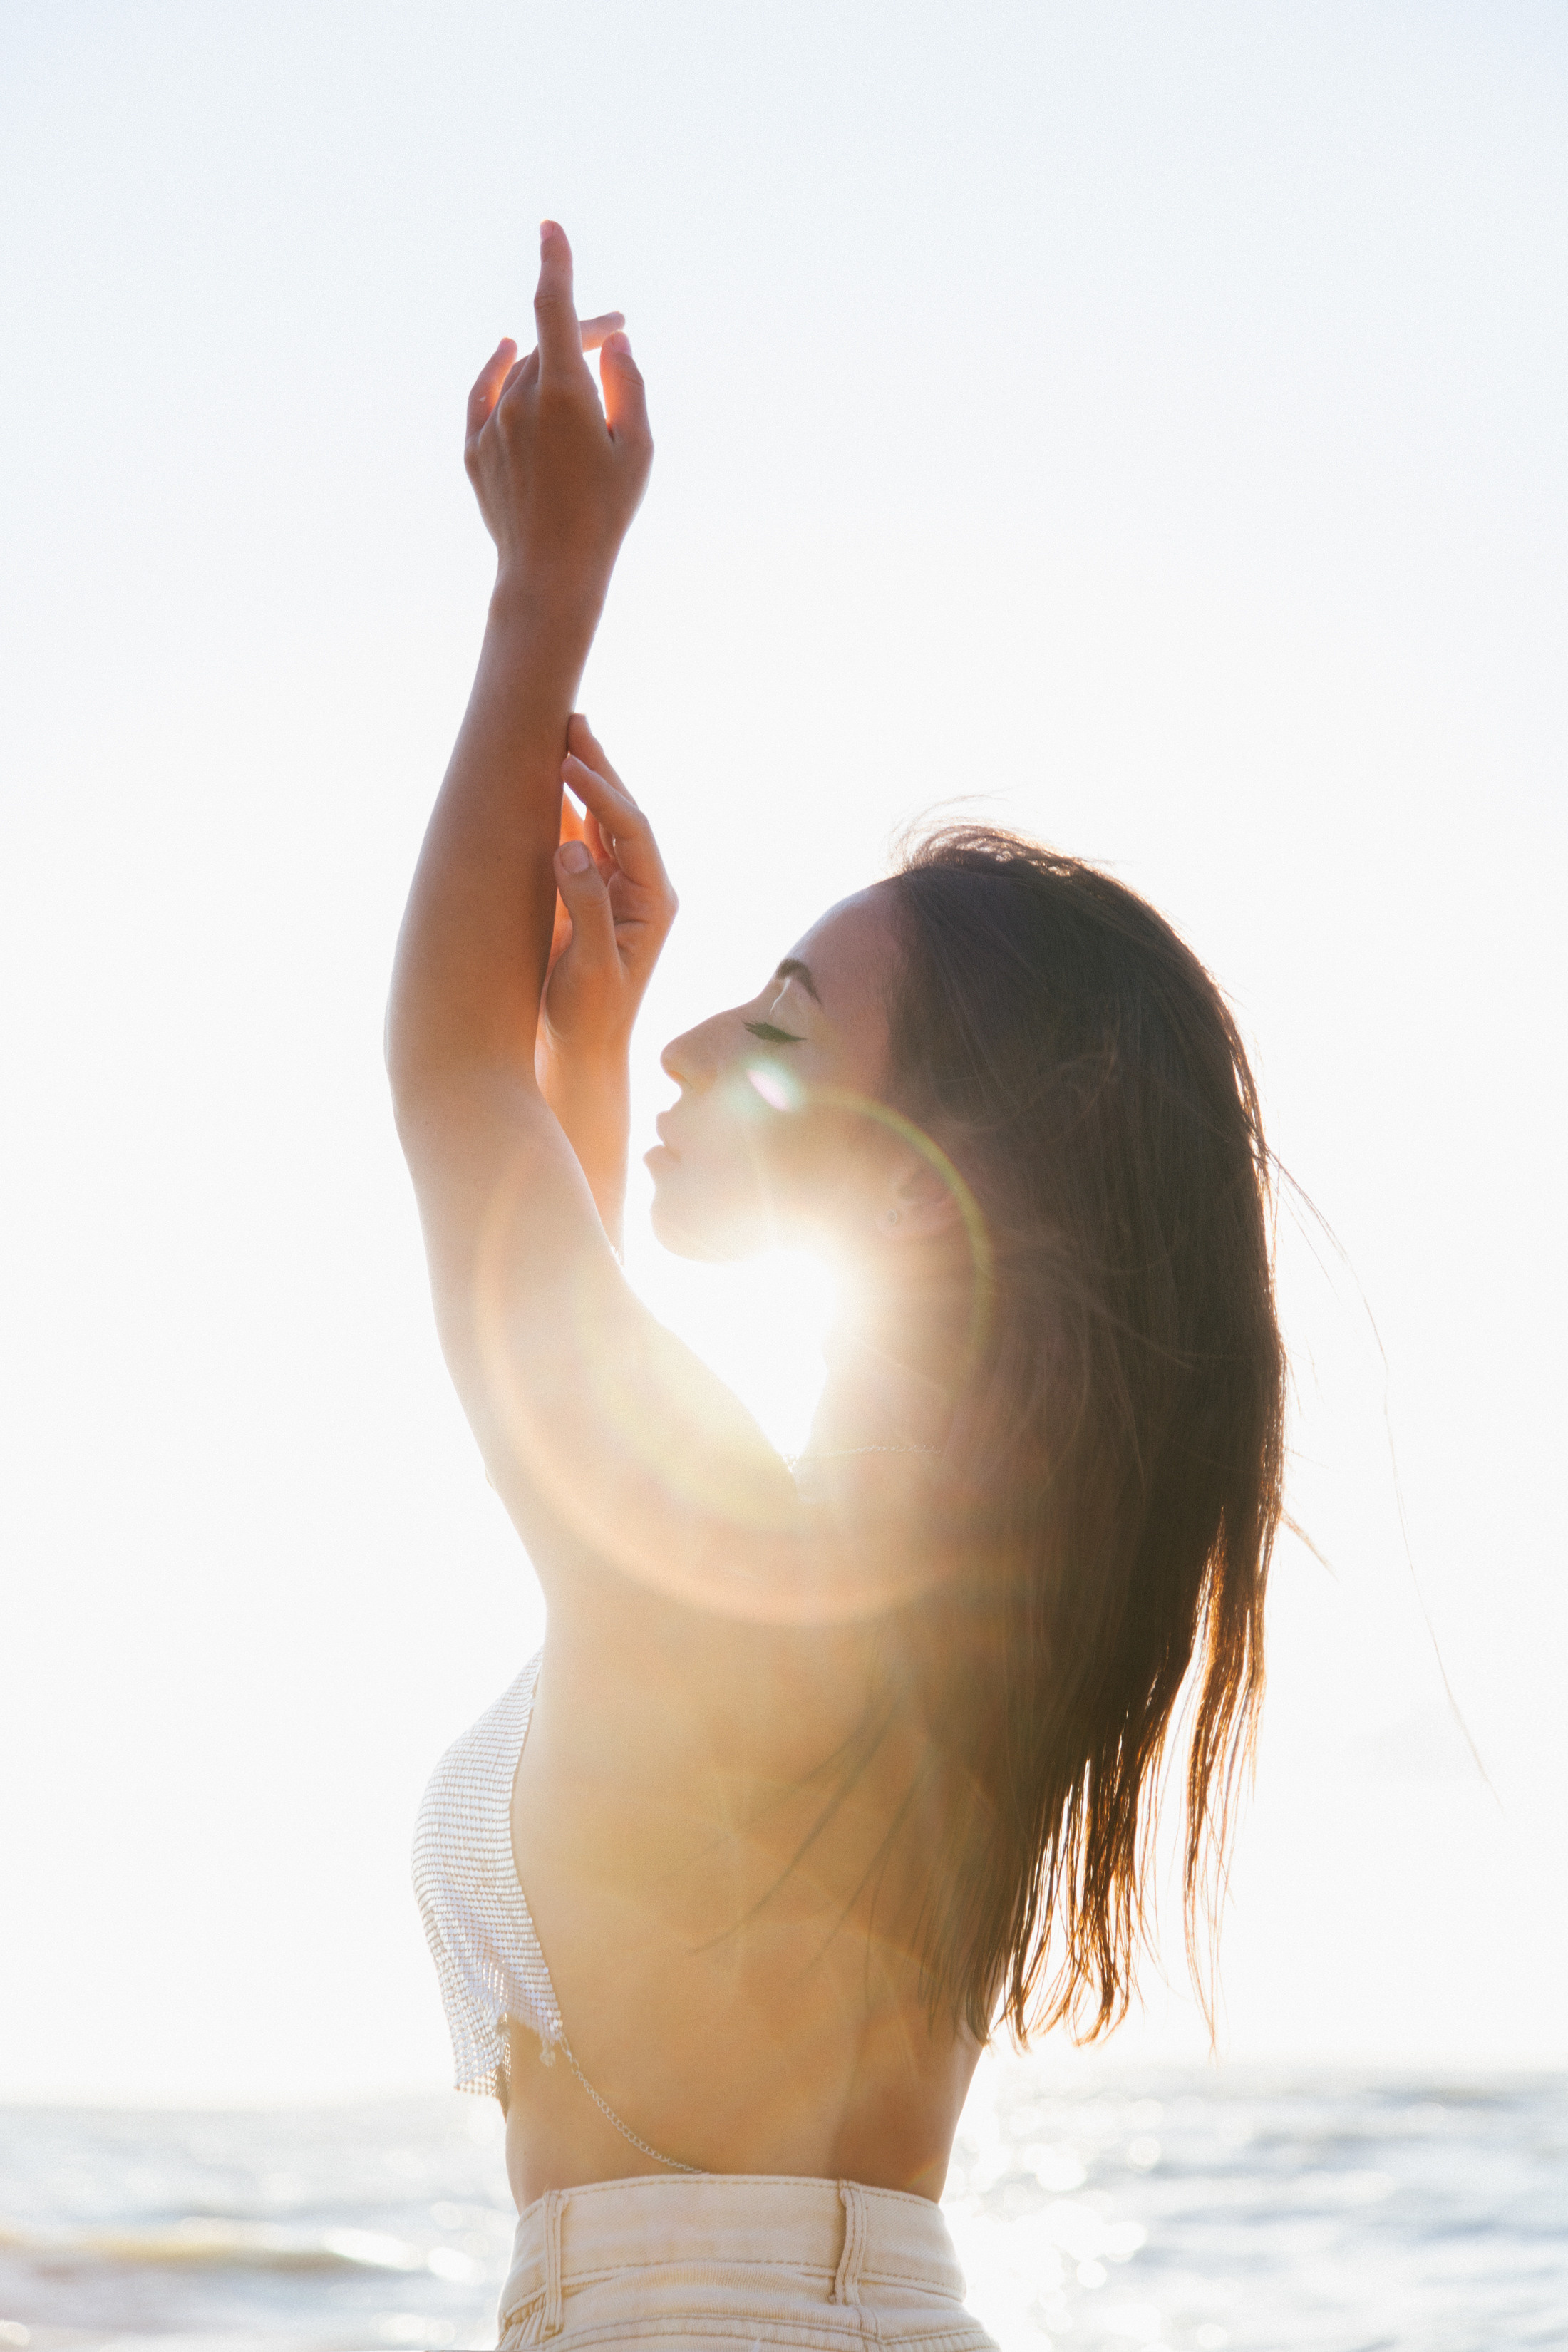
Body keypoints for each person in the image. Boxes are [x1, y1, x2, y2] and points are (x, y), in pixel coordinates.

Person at [389, 223, 1286, 2352]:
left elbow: (439, 1088)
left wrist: (543, 604)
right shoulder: (914, 1613)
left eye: (782, 1025)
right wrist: (588, 1066)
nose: (705, 1039)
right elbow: (586, 1389)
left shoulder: (752, 1560)